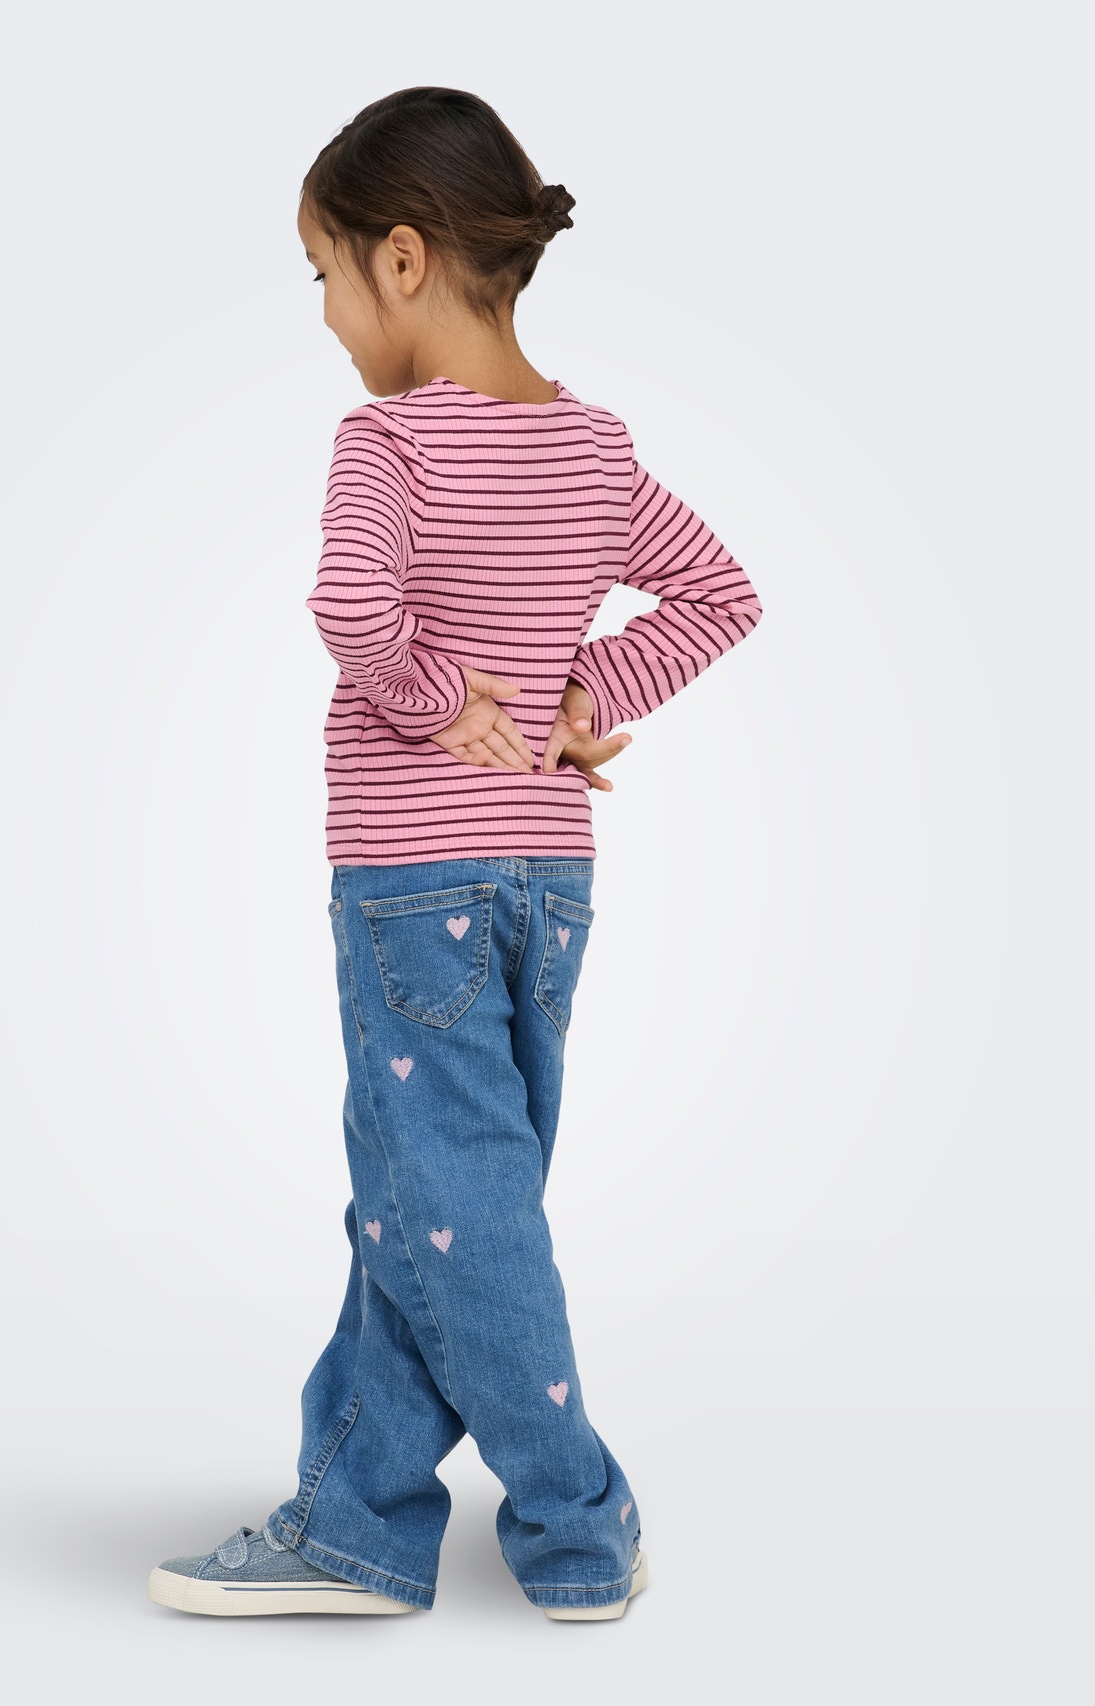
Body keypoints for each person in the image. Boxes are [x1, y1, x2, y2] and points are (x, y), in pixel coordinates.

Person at [148, 85, 763, 1623]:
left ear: (404, 259)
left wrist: (444, 704)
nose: (327, 313)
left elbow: (350, 612)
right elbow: (721, 593)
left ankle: (575, 1513)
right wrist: (573, 707)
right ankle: (361, 1520)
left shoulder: (390, 442)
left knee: (455, 1200)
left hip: (410, 880)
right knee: (430, 1194)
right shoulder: (596, 448)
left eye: (325, 273)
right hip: (549, 880)